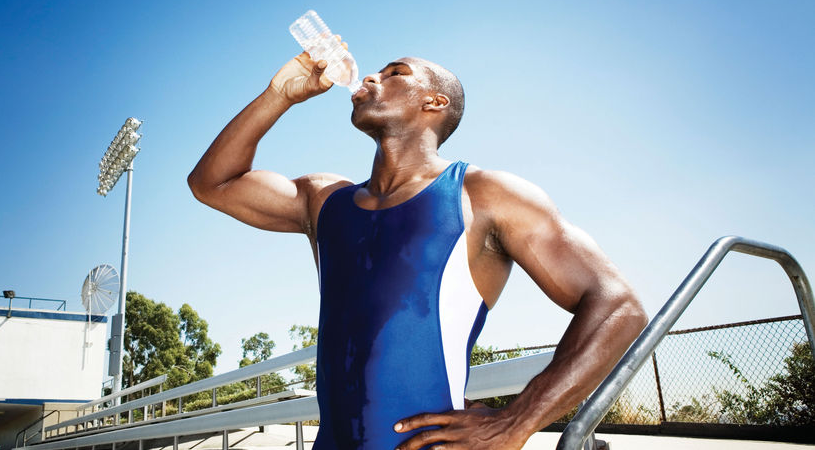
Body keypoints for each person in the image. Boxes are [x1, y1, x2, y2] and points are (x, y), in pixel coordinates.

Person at [188, 45, 648, 450]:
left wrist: (516, 420)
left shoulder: (484, 195)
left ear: (435, 102)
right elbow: (212, 183)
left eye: (396, 73)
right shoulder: (325, 199)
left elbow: (619, 305)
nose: (371, 77)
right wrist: (280, 96)